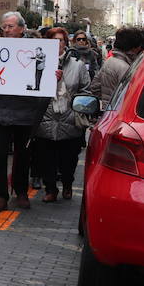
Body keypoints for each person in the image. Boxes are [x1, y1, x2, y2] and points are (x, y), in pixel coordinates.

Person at [0, 11, 50, 212]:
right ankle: (0, 196)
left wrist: (52, 74)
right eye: (4, 26)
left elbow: (44, 74)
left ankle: (21, 192)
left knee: (23, 156)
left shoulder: (34, 48)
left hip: (25, 113)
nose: (6, 30)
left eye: (11, 26)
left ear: (22, 28)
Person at [34, 28, 91, 202]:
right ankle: (50, 189)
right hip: (46, 118)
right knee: (47, 158)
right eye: (53, 40)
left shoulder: (78, 65)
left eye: (60, 41)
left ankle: (67, 184)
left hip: (69, 118)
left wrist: (75, 105)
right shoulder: (38, 63)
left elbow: (85, 90)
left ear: (65, 44)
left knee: (69, 159)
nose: (57, 44)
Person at [90, 27, 143, 105]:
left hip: (108, 111)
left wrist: (106, 100)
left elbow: (94, 87)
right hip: (119, 112)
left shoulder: (109, 61)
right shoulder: (126, 68)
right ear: (134, 46)